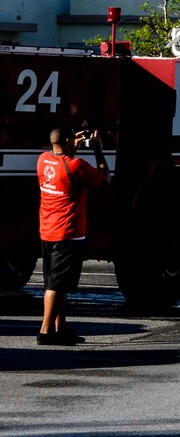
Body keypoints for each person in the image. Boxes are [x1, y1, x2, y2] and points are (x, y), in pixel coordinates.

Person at [37, 125, 106, 347]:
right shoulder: (76, 166)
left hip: (47, 230)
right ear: (67, 141)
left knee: (59, 283)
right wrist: (97, 149)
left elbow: (62, 164)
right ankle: (45, 331)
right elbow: (104, 179)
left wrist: (69, 147)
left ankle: (61, 328)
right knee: (55, 285)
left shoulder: (43, 160)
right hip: (67, 233)